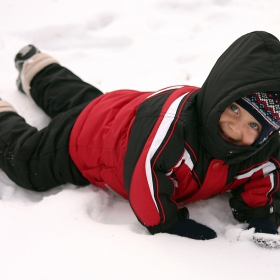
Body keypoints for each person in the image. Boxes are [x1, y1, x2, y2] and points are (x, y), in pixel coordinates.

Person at [0, 31, 280, 246]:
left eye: (253, 124)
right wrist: (167, 224)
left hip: (117, 113)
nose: (236, 126)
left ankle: (39, 68)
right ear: (220, 94)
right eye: (233, 108)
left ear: (267, 134)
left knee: (79, 102)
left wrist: (261, 216)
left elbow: (263, 177)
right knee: (28, 165)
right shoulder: (174, 125)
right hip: (89, 141)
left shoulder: (257, 151)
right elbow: (145, 172)